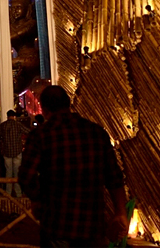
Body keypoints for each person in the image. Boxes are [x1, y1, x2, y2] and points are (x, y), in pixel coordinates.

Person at [19, 86, 128, 247]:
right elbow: (114, 177)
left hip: (56, 224)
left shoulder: (41, 136)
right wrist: (120, 212)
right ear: (68, 103)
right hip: (92, 226)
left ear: (44, 108)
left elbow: (26, 177)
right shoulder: (96, 132)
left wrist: (39, 200)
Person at [0, 109, 30, 197]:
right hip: (17, 151)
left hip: (6, 151)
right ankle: (18, 194)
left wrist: (3, 143)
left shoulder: (3, 125)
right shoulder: (18, 125)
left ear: (7, 116)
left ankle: (8, 193)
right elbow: (28, 132)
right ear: (14, 116)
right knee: (17, 173)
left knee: (8, 172)